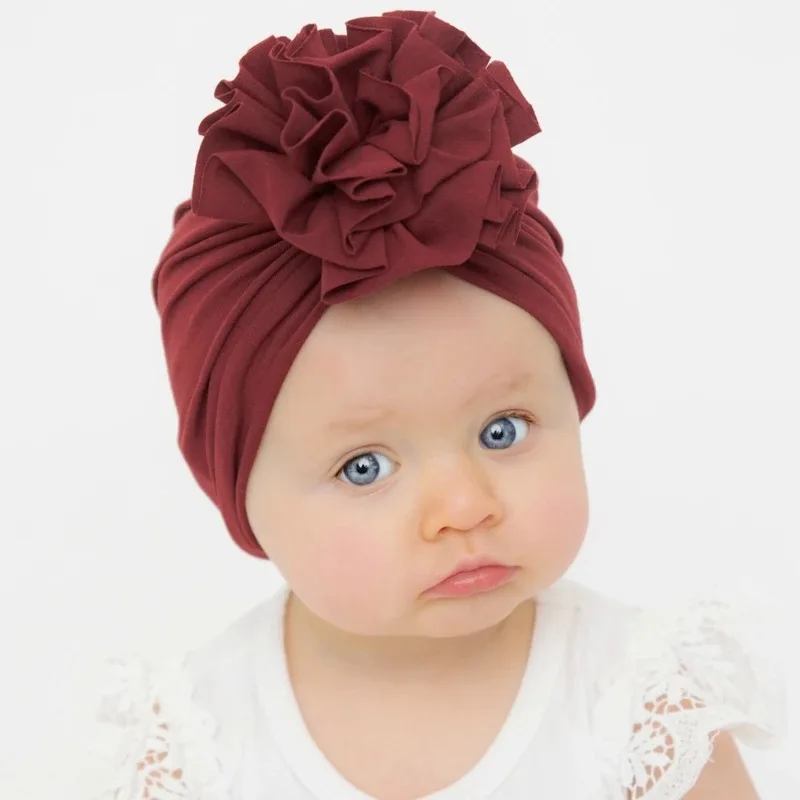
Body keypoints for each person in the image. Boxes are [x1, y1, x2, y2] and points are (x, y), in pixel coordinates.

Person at [84, 10, 786, 799]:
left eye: (503, 430)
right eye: (364, 467)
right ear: (237, 491)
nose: (463, 507)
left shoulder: (640, 709)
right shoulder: (202, 738)